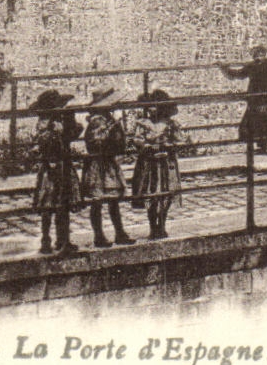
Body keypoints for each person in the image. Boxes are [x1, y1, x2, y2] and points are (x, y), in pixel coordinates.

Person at [129, 89, 188, 239]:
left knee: (166, 193)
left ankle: (162, 224)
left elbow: (180, 140)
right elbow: (137, 140)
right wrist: (147, 147)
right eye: (150, 107)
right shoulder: (143, 123)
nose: (152, 110)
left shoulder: (170, 124)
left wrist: (170, 146)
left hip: (166, 163)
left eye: (155, 106)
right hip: (149, 164)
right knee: (151, 193)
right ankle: (152, 226)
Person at [79, 88, 134, 248]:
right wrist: (110, 134)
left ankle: (119, 233)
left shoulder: (107, 120)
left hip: (108, 163)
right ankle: (99, 235)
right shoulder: (98, 122)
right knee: (98, 200)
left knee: (113, 199)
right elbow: (95, 142)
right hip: (99, 164)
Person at [28, 88, 81, 255]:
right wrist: (55, 132)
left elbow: (72, 134)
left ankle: (62, 239)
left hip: (63, 165)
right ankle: (46, 240)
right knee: (49, 204)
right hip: (51, 168)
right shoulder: (45, 126)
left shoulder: (60, 122)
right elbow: (42, 144)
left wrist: (70, 125)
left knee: (63, 204)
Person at [220, 45, 267, 152]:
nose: (258, 57)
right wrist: (224, 68)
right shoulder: (253, 65)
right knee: (258, 118)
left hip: (264, 95)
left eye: (260, 54)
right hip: (257, 96)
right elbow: (238, 74)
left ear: (263, 54)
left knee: (265, 118)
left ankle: (264, 143)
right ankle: (262, 144)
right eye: (256, 54)